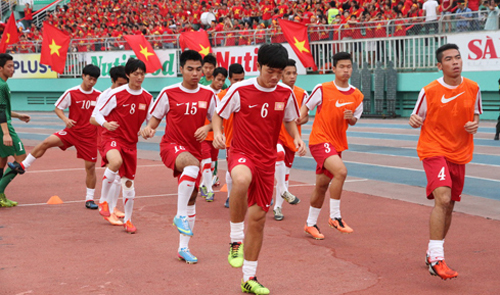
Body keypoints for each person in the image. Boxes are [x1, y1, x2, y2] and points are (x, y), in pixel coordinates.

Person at [213, 44, 306, 295]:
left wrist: (296, 137)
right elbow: (218, 114)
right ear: (259, 67)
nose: (274, 77)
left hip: (267, 160)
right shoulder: (240, 89)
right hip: (241, 152)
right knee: (240, 181)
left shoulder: (286, 93)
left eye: (279, 71)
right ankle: (234, 239)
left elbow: (289, 120)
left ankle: (249, 277)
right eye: (269, 71)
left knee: (257, 220)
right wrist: (219, 133)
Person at [409, 43, 482, 280]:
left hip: (459, 152)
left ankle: (432, 252)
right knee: (443, 197)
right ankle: (437, 258)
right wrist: (413, 120)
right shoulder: (429, 90)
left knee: (449, 205)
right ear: (440, 66)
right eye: (449, 59)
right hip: (433, 149)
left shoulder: (473, 87)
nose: (455, 62)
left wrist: (474, 125)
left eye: (458, 58)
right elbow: (416, 116)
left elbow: (475, 115)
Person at [141, 50, 216, 264]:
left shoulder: (208, 95)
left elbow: (217, 120)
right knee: (192, 168)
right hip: (172, 145)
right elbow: (153, 122)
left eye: (198, 69)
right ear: (181, 69)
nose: (195, 73)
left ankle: (183, 248)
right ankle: (179, 215)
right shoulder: (169, 92)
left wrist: (208, 127)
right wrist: (148, 130)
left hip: (195, 149)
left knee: (192, 198)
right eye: (190, 69)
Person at [9, 65, 102, 209]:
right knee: (46, 142)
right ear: (83, 76)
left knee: (90, 168)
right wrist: (65, 119)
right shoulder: (72, 92)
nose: (91, 82)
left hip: (89, 137)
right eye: (89, 78)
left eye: (94, 80)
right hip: (71, 132)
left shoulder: (99, 95)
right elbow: (58, 108)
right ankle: (23, 166)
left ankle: (89, 199)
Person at [299, 52, 363, 240]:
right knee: (341, 172)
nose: (345, 70)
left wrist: (351, 118)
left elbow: (354, 121)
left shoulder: (357, 95)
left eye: (348, 67)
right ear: (333, 69)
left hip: (337, 144)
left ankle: (310, 223)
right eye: (341, 67)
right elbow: (306, 107)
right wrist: (298, 120)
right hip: (320, 140)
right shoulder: (323, 88)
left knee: (321, 185)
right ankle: (335, 216)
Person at [91, 58, 154, 234]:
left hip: (130, 143)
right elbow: (96, 115)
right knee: (115, 161)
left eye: (142, 74)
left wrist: (148, 130)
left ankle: (128, 220)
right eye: (136, 74)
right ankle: (103, 201)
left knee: (128, 185)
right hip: (112, 137)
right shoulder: (115, 94)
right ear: (128, 75)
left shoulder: (148, 97)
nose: (139, 77)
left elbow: (151, 123)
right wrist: (106, 124)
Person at [90, 66, 129, 226]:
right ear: (112, 81)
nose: (122, 88)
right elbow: (93, 119)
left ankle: (112, 207)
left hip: (122, 138)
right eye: (119, 84)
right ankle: (106, 206)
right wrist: (106, 124)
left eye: (124, 84)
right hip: (106, 137)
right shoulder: (105, 96)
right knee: (115, 167)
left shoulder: (126, 94)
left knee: (120, 175)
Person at [273, 59, 308, 221]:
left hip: (292, 139)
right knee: (278, 155)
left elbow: (304, 117)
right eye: (288, 73)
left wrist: (302, 120)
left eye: (294, 73)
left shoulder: (302, 94)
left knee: (285, 174)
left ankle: (278, 207)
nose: (292, 76)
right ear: (281, 75)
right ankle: (281, 191)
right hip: (275, 136)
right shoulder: (275, 91)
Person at [0, 53, 31, 207]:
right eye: (9, 66)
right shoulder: (2, 85)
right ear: (0, 68)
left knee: (2, 159)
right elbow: (0, 111)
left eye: (13, 66)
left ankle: (1, 196)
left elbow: (3, 109)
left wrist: (18, 115)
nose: (13, 69)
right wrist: (6, 133)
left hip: (3, 124)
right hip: (3, 127)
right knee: (21, 158)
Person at [217, 63, 245, 209]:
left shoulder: (248, 93)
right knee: (231, 169)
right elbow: (215, 116)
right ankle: (229, 196)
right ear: (229, 79)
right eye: (236, 80)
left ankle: (256, 195)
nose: (239, 84)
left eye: (242, 80)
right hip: (231, 139)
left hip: (248, 139)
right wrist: (217, 133)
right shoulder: (221, 95)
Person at [200, 67, 228, 202]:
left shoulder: (224, 94)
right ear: (212, 78)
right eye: (218, 79)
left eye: (223, 80)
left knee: (212, 162)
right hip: (204, 132)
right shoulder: (204, 91)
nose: (220, 82)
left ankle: (203, 184)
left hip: (217, 134)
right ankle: (209, 190)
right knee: (205, 160)